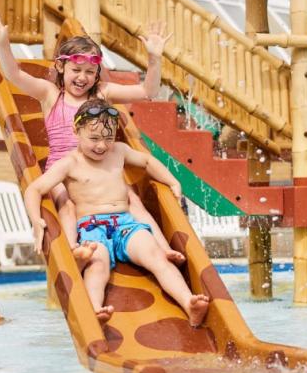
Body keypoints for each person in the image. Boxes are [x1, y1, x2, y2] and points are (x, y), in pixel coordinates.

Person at [0, 9, 183, 265]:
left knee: (133, 201)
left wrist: (154, 58)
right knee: (67, 205)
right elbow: (15, 75)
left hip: (98, 172)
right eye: (76, 69)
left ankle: (162, 249)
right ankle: (74, 250)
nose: (82, 77)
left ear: (97, 74)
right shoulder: (51, 94)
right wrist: (3, 43)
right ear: (61, 67)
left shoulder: (103, 93)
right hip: (64, 171)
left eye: (89, 72)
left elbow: (147, 90)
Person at [25, 99, 209, 326]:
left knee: (156, 256)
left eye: (108, 138)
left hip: (126, 223)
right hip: (91, 227)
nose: (102, 145)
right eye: (94, 138)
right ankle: (95, 311)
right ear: (76, 131)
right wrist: (36, 221)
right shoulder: (68, 163)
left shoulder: (119, 151)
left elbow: (147, 162)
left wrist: (172, 182)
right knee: (97, 264)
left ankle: (189, 302)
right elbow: (34, 188)